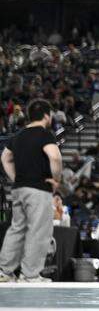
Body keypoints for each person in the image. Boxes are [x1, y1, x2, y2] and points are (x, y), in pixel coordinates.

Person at [0, 99, 61, 282]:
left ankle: (4, 271)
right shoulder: (45, 134)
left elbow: (5, 158)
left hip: (18, 189)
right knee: (39, 230)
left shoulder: (18, 135)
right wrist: (56, 179)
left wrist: (15, 178)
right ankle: (31, 275)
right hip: (38, 188)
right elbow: (55, 157)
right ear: (46, 115)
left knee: (17, 229)